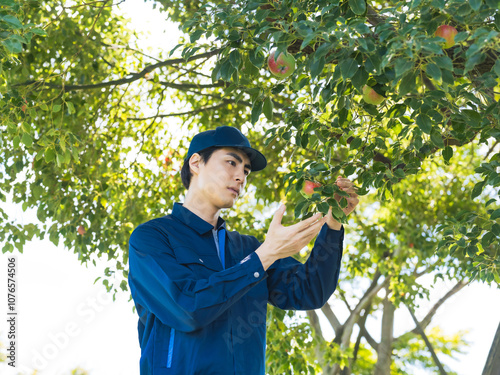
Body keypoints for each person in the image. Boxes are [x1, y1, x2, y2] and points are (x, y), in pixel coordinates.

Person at [127, 126, 359, 374]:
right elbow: (186, 307)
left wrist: (333, 225)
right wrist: (264, 257)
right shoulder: (152, 238)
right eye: (231, 163)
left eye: (246, 171)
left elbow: (310, 291)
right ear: (196, 163)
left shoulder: (249, 248)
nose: (241, 177)